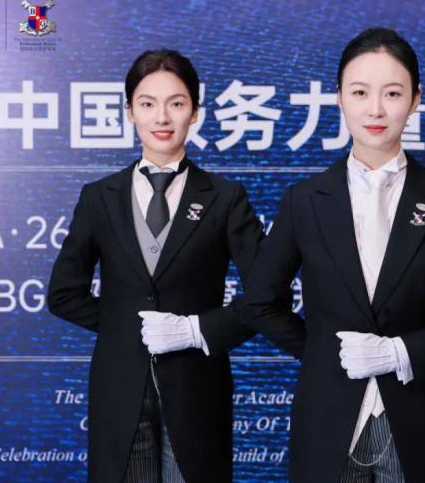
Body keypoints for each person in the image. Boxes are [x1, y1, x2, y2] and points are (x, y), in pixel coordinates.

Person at [241, 27, 425, 482]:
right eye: (360, 92)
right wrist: (324, 354)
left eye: (393, 93)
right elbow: (259, 303)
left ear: (416, 100)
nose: (375, 109)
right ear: (339, 98)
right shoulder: (305, 200)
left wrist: (400, 352)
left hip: (420, 418)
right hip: (327, 419)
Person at [47, 49, 265, 483]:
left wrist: (195, 331)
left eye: (176, 103)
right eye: (147, 104)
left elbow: (266, 295)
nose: (162, 117)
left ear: (195, 112)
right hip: (119, 387)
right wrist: (126, 325)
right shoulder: (100, 197)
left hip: (197, 387)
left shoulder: (225, 198)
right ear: (130, 111)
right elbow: (63, 294)